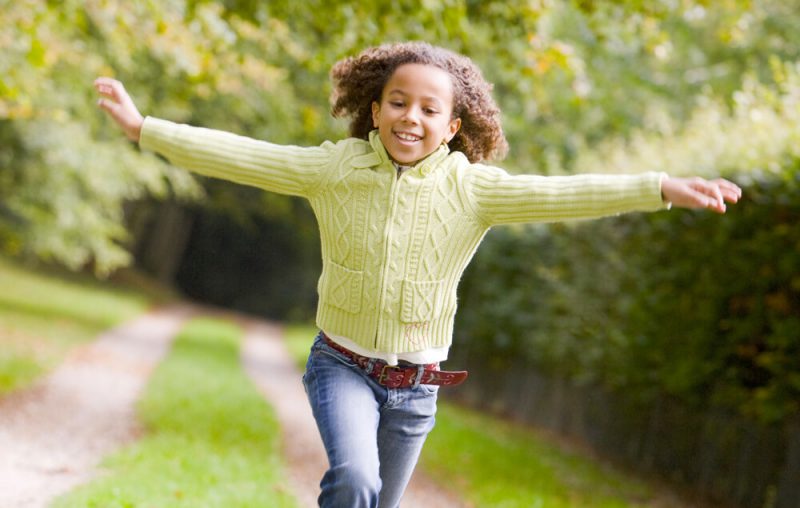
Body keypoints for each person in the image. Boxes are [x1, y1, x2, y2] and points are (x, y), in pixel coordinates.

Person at [95, 41, 741, 508]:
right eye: (397, 102)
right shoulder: (334, 169)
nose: (411, 117)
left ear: (453, 127)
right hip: (342, 363)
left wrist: (660, 187)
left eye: (429, 110)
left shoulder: (474, 191)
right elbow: (243, 155)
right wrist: (143, 128)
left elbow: (566, 192)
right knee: (355, 483)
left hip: (417, 388)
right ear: (374, 109)